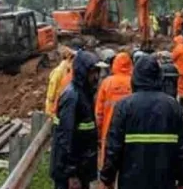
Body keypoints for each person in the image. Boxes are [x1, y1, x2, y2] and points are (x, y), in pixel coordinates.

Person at [99, 55, 183, 189]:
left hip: (131, 182)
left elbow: (114, 148)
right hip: (164, 182)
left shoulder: (124, 106)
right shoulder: (173, 107)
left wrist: (107, 179)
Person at [51, 50, 102, 189]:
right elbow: (65, 138)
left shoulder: (84, 93)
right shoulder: (72, 97)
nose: (96, 77)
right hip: (71, 173)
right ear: (83, 72)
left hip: (80, 169)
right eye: (93, 72)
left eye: (97, 72)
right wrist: (71, 174)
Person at [95, 52, 133, 168]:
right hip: (129, 134)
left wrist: (99, 135)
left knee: (107, 170)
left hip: (108, 132)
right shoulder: (134, 82)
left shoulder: (107, 83)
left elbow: (99, 113)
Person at [46, 45, 76, 117]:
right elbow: (51, 96)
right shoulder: (59, 72)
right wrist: (50, 113)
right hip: (56, 109)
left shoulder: (69, 70)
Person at [170, 35, 183, 108]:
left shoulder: (178, 48)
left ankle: (177, 102)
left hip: (179, 70)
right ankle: (182, 101)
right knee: (182, 86)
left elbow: (172, 58)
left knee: (177, 86)